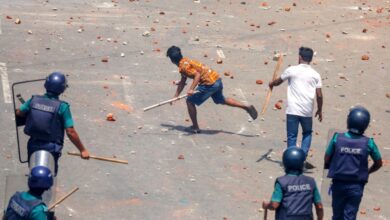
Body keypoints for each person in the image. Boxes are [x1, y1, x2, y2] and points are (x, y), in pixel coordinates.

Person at [166, 46, 258, 133]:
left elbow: (197, 75)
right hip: (216, 79)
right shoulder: (185, 61)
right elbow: (182, 81)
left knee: (189, 101)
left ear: (172, 60)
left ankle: (195, 127)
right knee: (221, 100)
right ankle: (246, 107)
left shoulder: (183, 67)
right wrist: (175, 96)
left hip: (209, 84)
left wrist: (191, 89)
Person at [15, 72, 89, 174]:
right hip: (51, 148)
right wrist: (82, 150)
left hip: (33, 144)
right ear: (63, 89)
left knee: (33, 172)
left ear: (46, 85)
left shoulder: (33, 100)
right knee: (49, 176)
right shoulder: (63, 107)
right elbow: (70, 131)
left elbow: (19, 112)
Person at [325, 106, 382, 220]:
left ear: (349, 120)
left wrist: (334, 166)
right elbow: (378, 162)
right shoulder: (368, 143)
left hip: (338, 184)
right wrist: (368, 172)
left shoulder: (337, 138)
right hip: (356, 186)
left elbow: (327, 157)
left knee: (337, 215)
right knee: (350, 216)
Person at [269, 47, 323, 164]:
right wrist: (319, 110)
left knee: (292, 136)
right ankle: (302, 158)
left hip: (292, 110)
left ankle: (291, 160)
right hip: (307, 110)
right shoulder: (315, 74)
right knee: (307, 133)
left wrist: (271, 83)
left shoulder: (291, 70)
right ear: (311, 59)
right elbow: (319, 95)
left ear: (299, 57)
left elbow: (278, 82)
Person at [263, 147, 324, 220]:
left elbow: (274, 205)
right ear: (302, 163)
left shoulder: (281, 182)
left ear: (285, 163)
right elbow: (319, 206)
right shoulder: (311, 182)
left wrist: (267, 205)